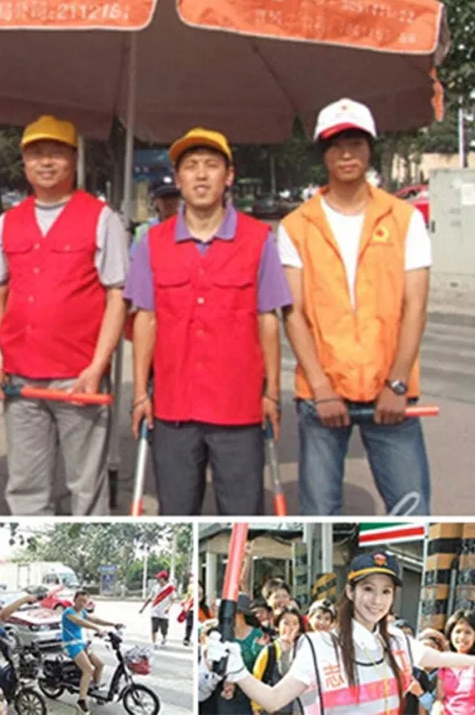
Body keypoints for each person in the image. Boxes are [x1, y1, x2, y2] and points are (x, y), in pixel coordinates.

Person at [278, 99, 432, 515]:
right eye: (335, 145)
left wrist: (397, 383)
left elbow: (415, 305)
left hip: (391, 393)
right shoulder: (296, 226)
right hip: (322, 395)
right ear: (322, 154)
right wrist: (322, 388)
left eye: (355, 143)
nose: (345, 154)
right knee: (319, 514)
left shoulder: (403, 219)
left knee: (412, 509)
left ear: (370, 149)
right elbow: (293, 315)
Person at [127, 128, 291, 515]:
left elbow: (268, 318)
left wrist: (272, 393)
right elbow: (144, 319)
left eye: (211, 166)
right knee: (176, 515)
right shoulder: (152, 243)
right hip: (173, 409)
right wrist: (139, 393)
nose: (201, 176)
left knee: (242, 514)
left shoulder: (258, 239)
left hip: (239, 408)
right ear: (178, 179)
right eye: (191, 167)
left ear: (228, 176)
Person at [0, 115, 129, 516]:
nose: (46, 162)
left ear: (74, 159)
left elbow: (118, 296)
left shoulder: (101, 218)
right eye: (36, 154)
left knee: (86, 486)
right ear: (24, 163)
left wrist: (98, 365)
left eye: (56, 153)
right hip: (21, 378)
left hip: (78, 377)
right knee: (27, 485)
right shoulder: (8, 222)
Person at [213, 551, 475, 714]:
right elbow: (274, 699)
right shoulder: (318, 646)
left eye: (386, 591)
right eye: (368, 589)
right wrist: (239, 673)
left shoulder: (397, 641)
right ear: (350, 592)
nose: (377, 600)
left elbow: (439, 658)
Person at [61, 590, 124, 713]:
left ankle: (95, 689)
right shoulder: (68, 612)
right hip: (71, 645)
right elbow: (80, 622)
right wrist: (97, 629)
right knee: (88, 670)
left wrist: (114, 624)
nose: (82, 604)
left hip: (81, 643)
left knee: (100, 664)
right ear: (74, 600)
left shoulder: (82, 612)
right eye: (80, 601)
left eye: (85, 602)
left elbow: (95, 619)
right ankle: (81, 700)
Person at [251, 608, 306, 714]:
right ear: (277, 626)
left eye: (295, 623)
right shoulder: (270, 650)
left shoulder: (304, 649)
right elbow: (257, 677)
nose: (290, 627)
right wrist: (256, 706)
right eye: (286, 623)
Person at [435, 609, 475, 714]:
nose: (462, 637)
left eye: (468, 632)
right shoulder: (445, 662)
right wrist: (437, 708)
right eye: (458, 631)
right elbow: (439, 699)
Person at [131, 182, 182, 252]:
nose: (169, 202)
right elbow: (134, 258)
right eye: (164, 198)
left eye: (173, 198)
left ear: (179, 200)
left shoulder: (188, 226)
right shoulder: (144, 230)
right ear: (155, 201)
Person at [411, 628, 448, 714]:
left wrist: (421, 694)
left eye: (432, 648)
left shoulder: (443, 676)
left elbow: (439, 709)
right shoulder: (411, 672)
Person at [139, 570, 176, 646]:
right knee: (154, 628)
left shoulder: (170, 588)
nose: (158, 580)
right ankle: (154, 642)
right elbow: (149, 598)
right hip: (154, 611)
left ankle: (164, 636)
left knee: (164, 628)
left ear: (164, 578)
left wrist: (168, 607)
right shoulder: (155, 588)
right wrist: (143, 608)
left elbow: (173, 599)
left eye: (159, 578)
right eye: (157, 578)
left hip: (164, 612)